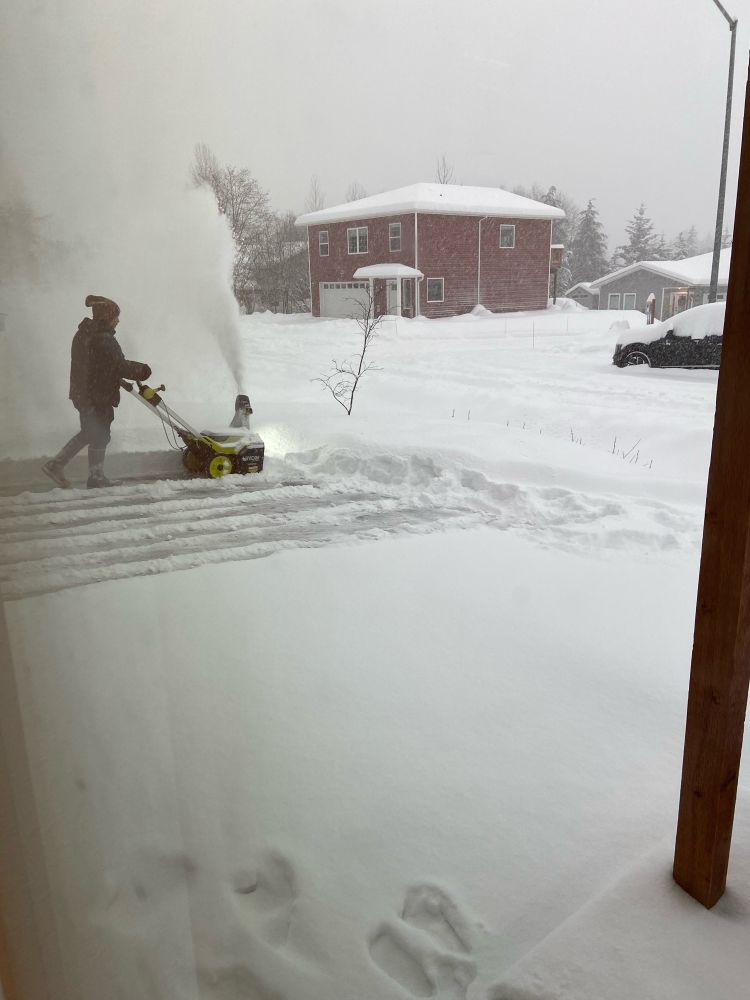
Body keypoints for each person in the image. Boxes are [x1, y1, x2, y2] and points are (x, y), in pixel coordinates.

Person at [42, 295, 151, 489]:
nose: (118, 320)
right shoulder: (103, 338)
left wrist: (117, 380)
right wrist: (142, 371)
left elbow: (96, 366)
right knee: (99, 433)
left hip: (84, 393)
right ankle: (93, 476)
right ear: (107, 317)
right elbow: (118, 365)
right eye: (116, 316)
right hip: (96, 395)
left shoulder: (86, 333)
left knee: (91, 432)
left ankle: (62, 467)